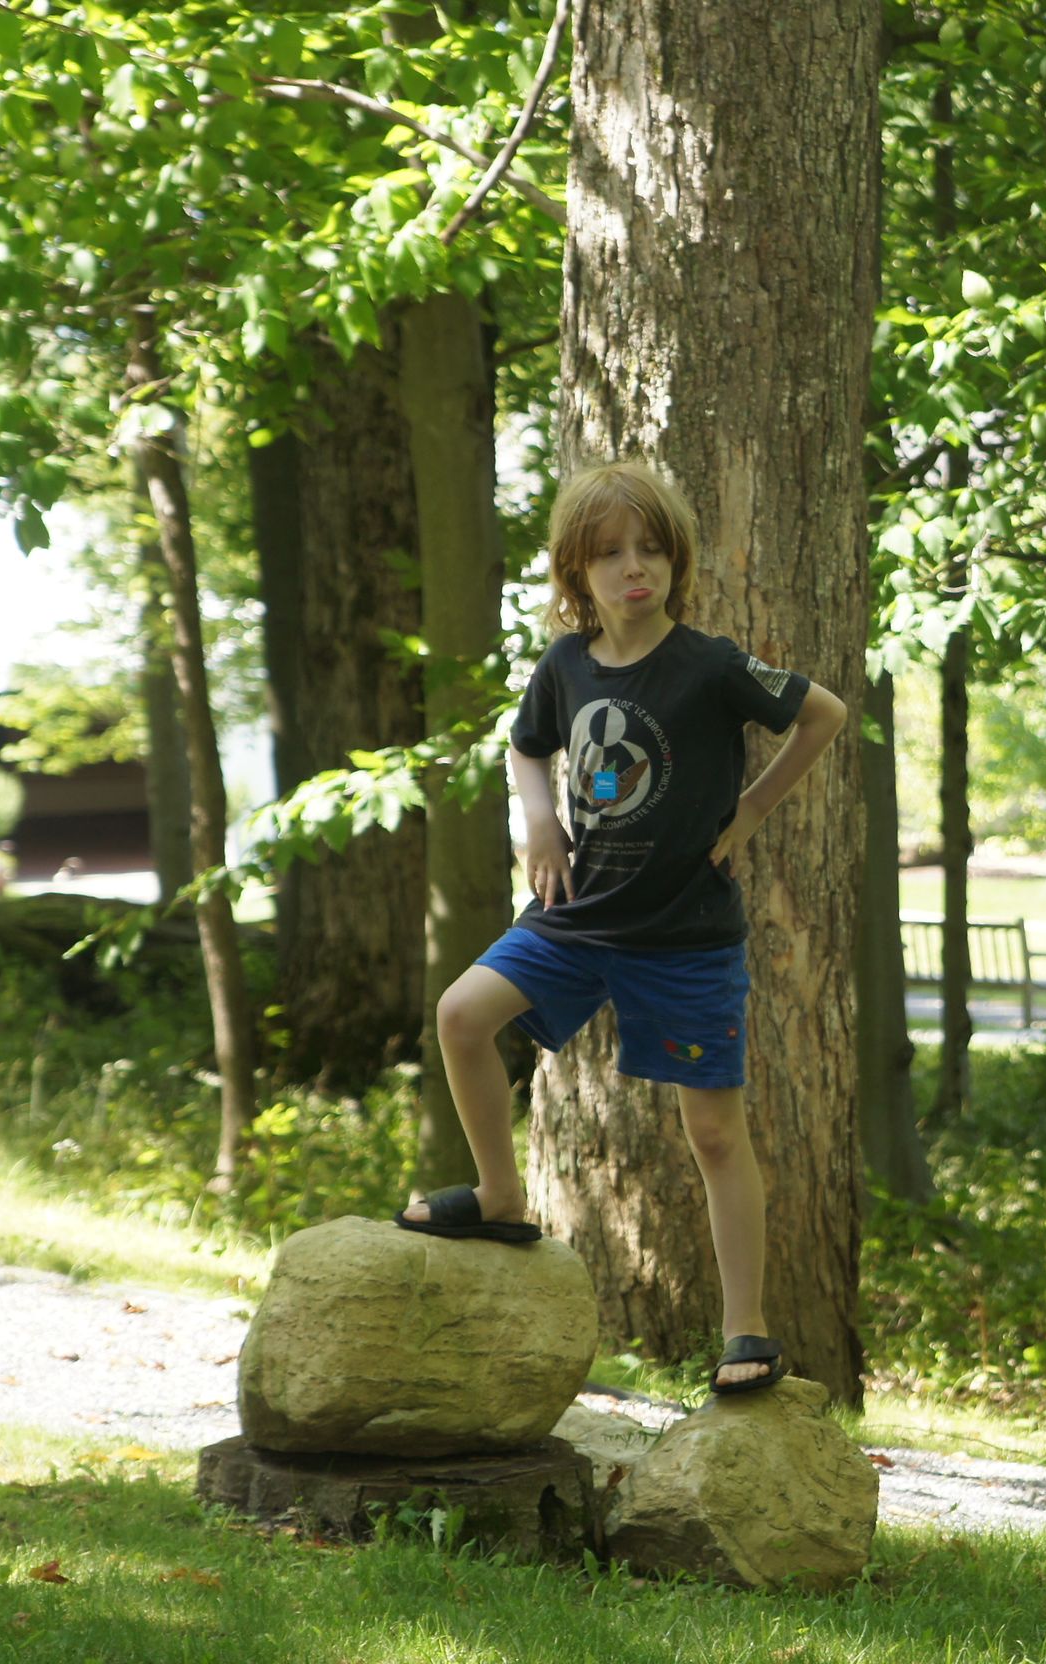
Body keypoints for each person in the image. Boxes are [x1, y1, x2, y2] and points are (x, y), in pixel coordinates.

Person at [397, 458, 847, 1397]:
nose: (632, 569)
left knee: (716, 1135)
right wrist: (540, 821)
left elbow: (823, 715)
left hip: (686, 934)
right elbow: (527, 748)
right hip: (579, 919)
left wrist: (755, 810)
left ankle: (746, 1333)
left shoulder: (714, 665)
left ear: (676, 561)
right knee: (462, 1016)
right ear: (577, 574)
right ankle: (499, 1195)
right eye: (609, 555)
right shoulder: (563, 666)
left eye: (650, 550)